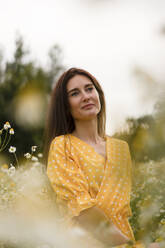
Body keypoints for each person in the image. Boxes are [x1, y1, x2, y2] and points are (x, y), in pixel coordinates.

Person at [44, 68, 160, 248]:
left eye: (89, 89)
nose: (86, 96)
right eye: (75, 93)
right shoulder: (62, 146)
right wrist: (134, 247)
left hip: (123, 239)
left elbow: (121, 211)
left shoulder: (122, 149)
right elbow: (84, 213)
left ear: (98, 94)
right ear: (65, 105)